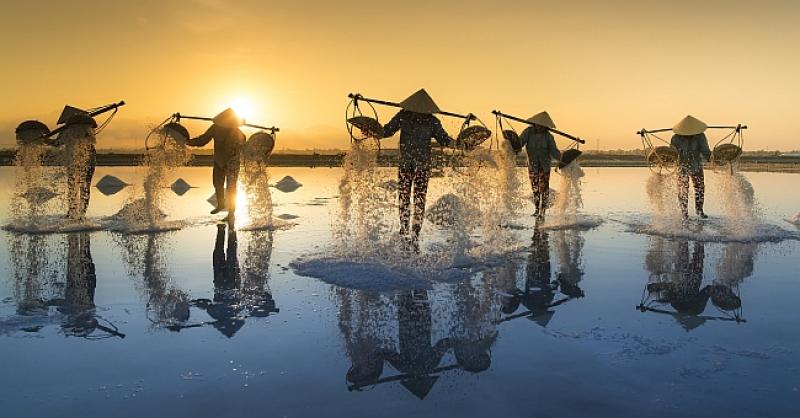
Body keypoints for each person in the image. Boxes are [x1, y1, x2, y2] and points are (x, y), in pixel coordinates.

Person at [381, 89, 456, 247]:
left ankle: (413, 233)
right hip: (408, 165)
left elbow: (444, 140)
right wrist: (373, 130)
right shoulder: (405, 116)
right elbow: (386, 131)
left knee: (412, 199)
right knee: (409, 199)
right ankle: (407, 231)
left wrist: (460, 144)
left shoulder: (428, 120)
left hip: (418, 166)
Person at [187, 108, 246, 220]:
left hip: (232, 162)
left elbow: (244, 145)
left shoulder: (238, 132)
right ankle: (221, 204)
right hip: (219, 160)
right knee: (217, 184)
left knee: (231, 188)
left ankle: (231, 214)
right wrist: (188, 141)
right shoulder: (215, 128)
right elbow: (202, 140)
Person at [48, 109, 98, 221]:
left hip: (87, 162)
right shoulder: (67, 131)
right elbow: (56, 143)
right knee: (74, 186)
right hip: (73, 162)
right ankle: (73, 212)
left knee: (83, 186)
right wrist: (44, 140)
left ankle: (81, 213)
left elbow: (57, 143)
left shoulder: (85, 128)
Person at [519, 111, 560, 221]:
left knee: (544, 189)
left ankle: (543, 211)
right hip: (532, 165)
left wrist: (562, 159)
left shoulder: (548, 136)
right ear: (535, 123)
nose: (540, 127)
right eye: (539, 124)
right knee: (535, 187)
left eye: (543, 126)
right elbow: (520, 143)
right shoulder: (528, 132)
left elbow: (554, 152)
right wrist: (512, 143)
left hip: (544, 165)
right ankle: (537, 209)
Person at [671, 115, 712, 219]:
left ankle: (699, 210)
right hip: (681, 166)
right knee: (682, 189)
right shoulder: (675, 138)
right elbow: (672, 154)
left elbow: (706, 151)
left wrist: (712, 158)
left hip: (696, 165)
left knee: (700, 188)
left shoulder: (700, 136)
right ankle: (684, 213)